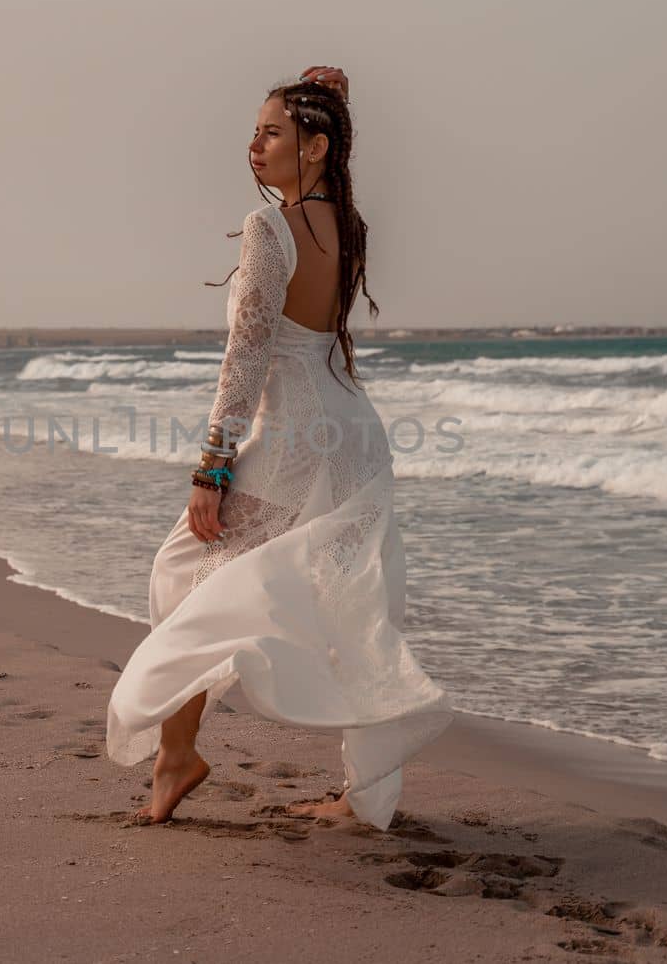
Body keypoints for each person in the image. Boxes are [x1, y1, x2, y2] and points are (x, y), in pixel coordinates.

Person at [104, 65, 455, 830]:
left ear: (316, 146)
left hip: (296, 439)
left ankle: (177, 757)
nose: (254, 145)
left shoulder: (269, 228)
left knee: (183, 573)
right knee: (351, 608)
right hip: (355, 436)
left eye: (272, 131)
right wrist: (326, 103)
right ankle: (366, 797)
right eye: (255, 130)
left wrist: (213, 464)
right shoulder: (346, 224)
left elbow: (249, 353)